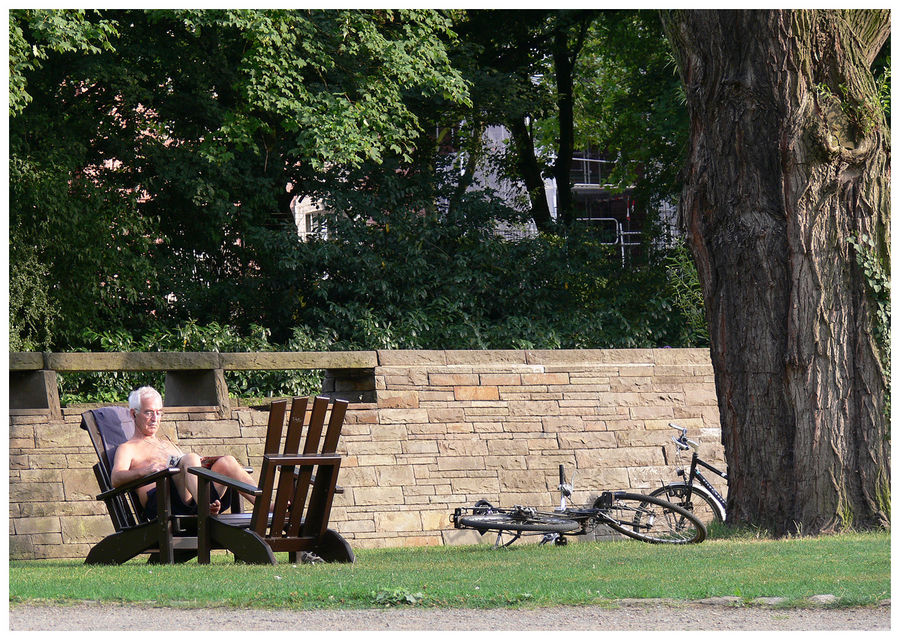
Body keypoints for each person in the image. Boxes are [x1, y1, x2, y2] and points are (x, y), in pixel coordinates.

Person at [110, 386, 256, 519]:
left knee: (227, 461)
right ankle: (205, 506)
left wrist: (201, 462)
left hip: (189, 500)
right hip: (162, 505)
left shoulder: (167, 444)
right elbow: (116, 478)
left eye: (158, 413)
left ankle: (264, 506)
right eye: (148, 412)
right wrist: (145, 470)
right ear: (133, 414)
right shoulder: (127, 448)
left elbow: (187, 471)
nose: (155, 419)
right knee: (190, 457)